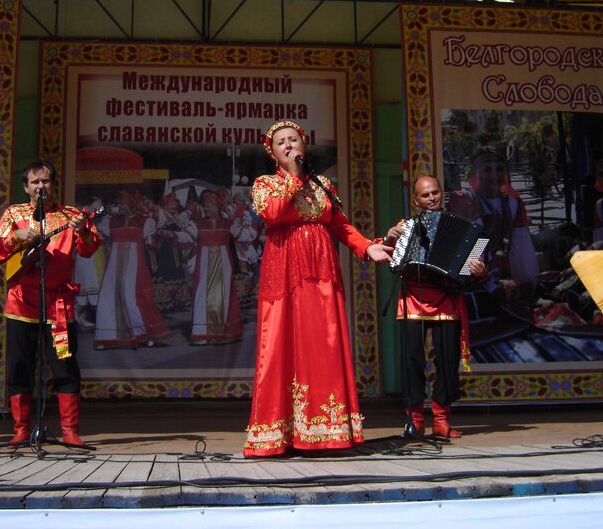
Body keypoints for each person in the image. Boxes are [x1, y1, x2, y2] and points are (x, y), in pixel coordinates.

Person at [243, 120, 393, 457]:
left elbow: (339, 223)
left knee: (322, 344)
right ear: (272, 152)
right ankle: (278, 433)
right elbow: (275, 214)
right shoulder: (265, 184)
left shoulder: (323, 184)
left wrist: (366, 246)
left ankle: (325, 431)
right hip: (283, 274)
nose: (288, 146)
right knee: (280, 345)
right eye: (281, 142)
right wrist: (296, 177)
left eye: (293, 140)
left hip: (321, 275)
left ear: (303, 144)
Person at [0, 160, 101, 446]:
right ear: (26, 187)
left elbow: (88, 249)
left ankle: (70, 431)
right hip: (21, 302)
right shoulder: (14, 213)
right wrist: (15, 236)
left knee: (65, 366)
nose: (41, 187)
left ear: (54, 185)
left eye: (46, 181)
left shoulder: (71, 214)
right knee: (20, 366)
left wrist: (84, 231)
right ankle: (21, 429)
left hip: (58, 304)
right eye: (35, 182)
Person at [384, 176, 485, 439]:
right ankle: (415, 420)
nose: (432, 198)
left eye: (435, 193)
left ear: (442, 194)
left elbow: (471, 270)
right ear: (416, 200)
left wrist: (478, 271)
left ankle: (441, 420)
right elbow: (391, 258)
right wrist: (389, 236)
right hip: (413, 300)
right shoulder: (406, 227)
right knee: (412, 361)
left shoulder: (467, 230)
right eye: (426, 195)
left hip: (447, 299)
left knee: (448, 362)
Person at [448, 146, 538, 297]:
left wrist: (528, 283)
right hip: (472, 283)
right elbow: (467, 249)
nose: (495, 176)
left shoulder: (512, 203)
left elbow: (523, 249)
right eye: (488, 170)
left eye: (500, 169)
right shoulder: (467, 201)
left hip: (502, 279)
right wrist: (482, 273)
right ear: (477, 174)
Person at [94, 189, 171, 349]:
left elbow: (151, 245)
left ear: (129, 204)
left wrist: (156, 236)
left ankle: (142, 334)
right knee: (110, 298)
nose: (119, 207)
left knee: (132, 299)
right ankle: (109, 336)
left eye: (121, 204)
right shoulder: (111, 222)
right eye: (118, 204)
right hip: (114, 268)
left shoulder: (143, 221)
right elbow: (102, 238)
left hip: (135, 268)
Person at [189, 189, 243, 345]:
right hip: (204, 266)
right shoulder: (198, 224)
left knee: (222, 296)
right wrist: (172, 235)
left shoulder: (227, 224)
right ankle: (202, 332)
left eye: (210, 206)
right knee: (201, 294)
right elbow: (187, 236)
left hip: (224, 267)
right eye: (205, 206)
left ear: (217, 207)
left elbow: (245, 234)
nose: (207, 209)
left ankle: (220, 333)